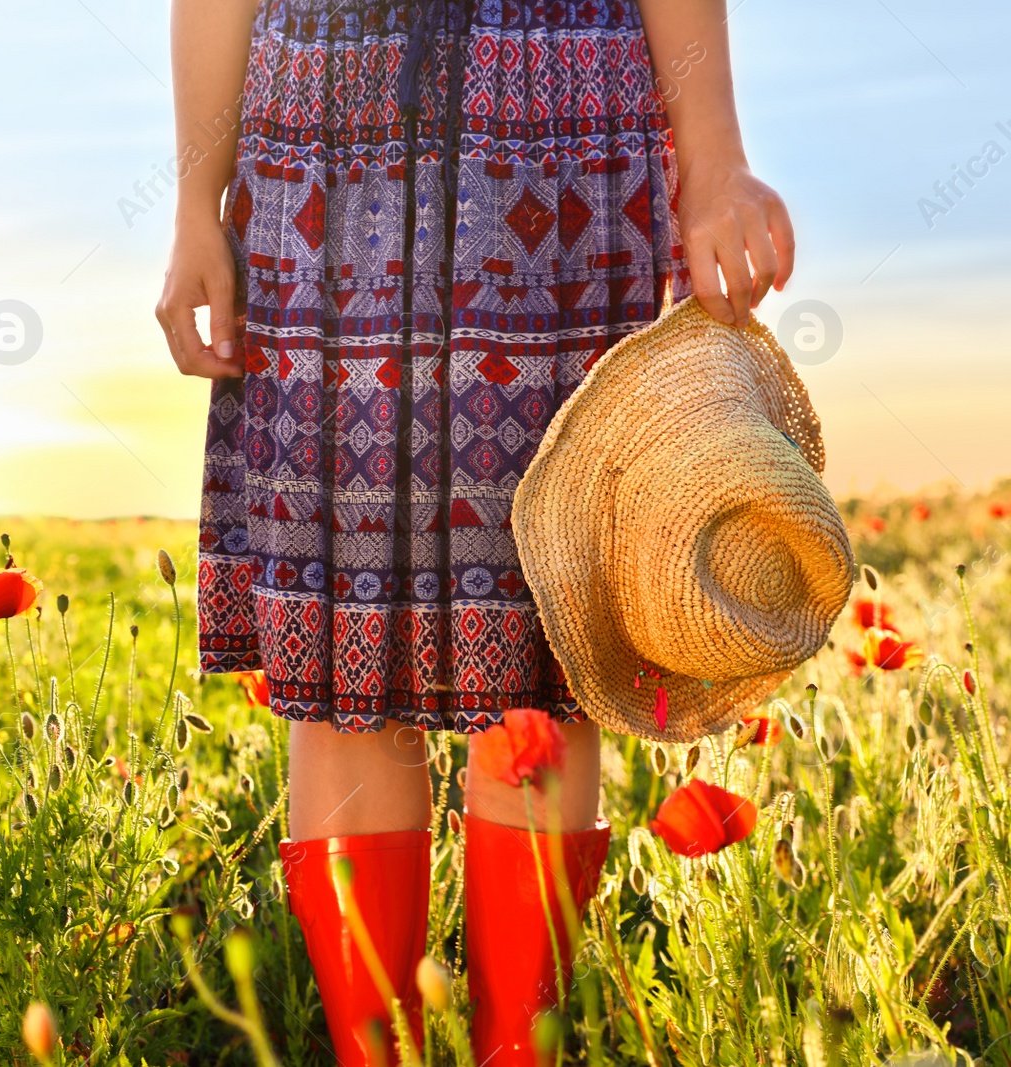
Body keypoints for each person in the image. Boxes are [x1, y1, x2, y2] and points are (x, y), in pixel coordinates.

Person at [157, 1, 794, 1063]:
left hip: (565, 112)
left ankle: (516, 1051)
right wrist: (190, 202)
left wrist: (716, 159)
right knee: (338, 652)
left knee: (543, 639)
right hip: (320, 124)